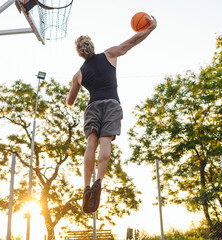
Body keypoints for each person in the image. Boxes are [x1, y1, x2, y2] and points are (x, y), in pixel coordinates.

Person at [64, 16, 157, 213]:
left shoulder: (78, 75)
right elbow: (131, 42)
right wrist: (150, 28)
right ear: (92, 46)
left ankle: (87, 187)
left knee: (91, 143)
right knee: (105, 142)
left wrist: (68, 95)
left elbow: (70, 102)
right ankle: (99, 181)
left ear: (79, 53)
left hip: (93, 106)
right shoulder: (109, 54)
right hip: (112, 104)